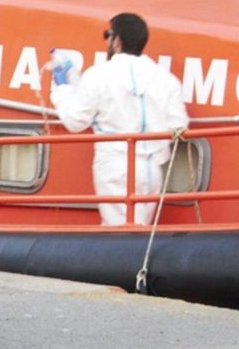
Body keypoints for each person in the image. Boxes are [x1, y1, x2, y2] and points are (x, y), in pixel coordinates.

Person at [50, 12, 190, 226]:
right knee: (141, 230)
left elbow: (75, 121)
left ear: (117, 40)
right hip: (152, 168)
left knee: (120, 233)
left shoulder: (99, 75)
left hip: (115, 164)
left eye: (108, 35)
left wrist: (62, 90)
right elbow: (179, 125)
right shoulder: (166, 79)